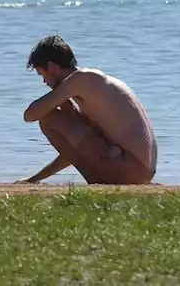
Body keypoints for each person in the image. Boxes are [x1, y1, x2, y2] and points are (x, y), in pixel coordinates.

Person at [20, 35, 156, 185]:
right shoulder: (94, 89)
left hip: (129, 168)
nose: (44, 81)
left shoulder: (82, 79)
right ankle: (99, 181)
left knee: (49, 119)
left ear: (52, 67)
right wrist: (34, 179)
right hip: (140, 172)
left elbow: (30, 115)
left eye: (43, 75)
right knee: (65, 121)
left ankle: (96, 181)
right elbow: (76, 152)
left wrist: (58, 95)